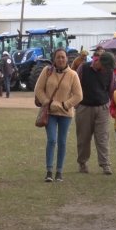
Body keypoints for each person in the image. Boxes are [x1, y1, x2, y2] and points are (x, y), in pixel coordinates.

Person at [34, 49, 83, 182]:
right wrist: (47, 103)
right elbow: (38, 89)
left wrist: (64, 105)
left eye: (63, 57)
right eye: (58, 57)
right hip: (49, 113)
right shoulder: (47, 71)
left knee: (62, 142)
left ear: (67, 59)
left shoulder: (73, 75)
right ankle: (49, 171)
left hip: (66, 114)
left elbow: (79, 95)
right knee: (51, 140)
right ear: (54, 59)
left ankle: (59, 172)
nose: (60, 60)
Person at [75, 52, 116, 175]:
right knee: (83, 137)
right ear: (99, 62)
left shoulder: (109, 72)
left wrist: (111, 106)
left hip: (102, 108)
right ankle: (82, 163)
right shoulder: (83, 68)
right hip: (84, 107)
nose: (107, 69)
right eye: (106, 66)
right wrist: (76, 104)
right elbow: (75, 85)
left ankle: (105, 164)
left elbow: (113, 90)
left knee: (103, 137)